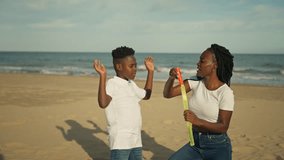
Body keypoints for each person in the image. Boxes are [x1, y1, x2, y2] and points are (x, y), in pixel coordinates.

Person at [163, 44, 234, 160]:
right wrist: (171, 78)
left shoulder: (225, 92)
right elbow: (168, 94)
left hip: (218, 146)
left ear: (215, 65)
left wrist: (197, 121)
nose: (197, 64)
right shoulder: (195, 82)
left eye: (202, 61)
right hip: (195, 143)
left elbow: (223, 126)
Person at [93, 46, 154, 160]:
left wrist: (150, 72)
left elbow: (147, 95)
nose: (135, 69)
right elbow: (103, 103)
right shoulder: (113, 83)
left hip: (135, 140)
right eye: (131, 66)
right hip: (121, 141)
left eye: (135, 65)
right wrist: (103, 76)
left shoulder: (131, 84)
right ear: (119, 66)